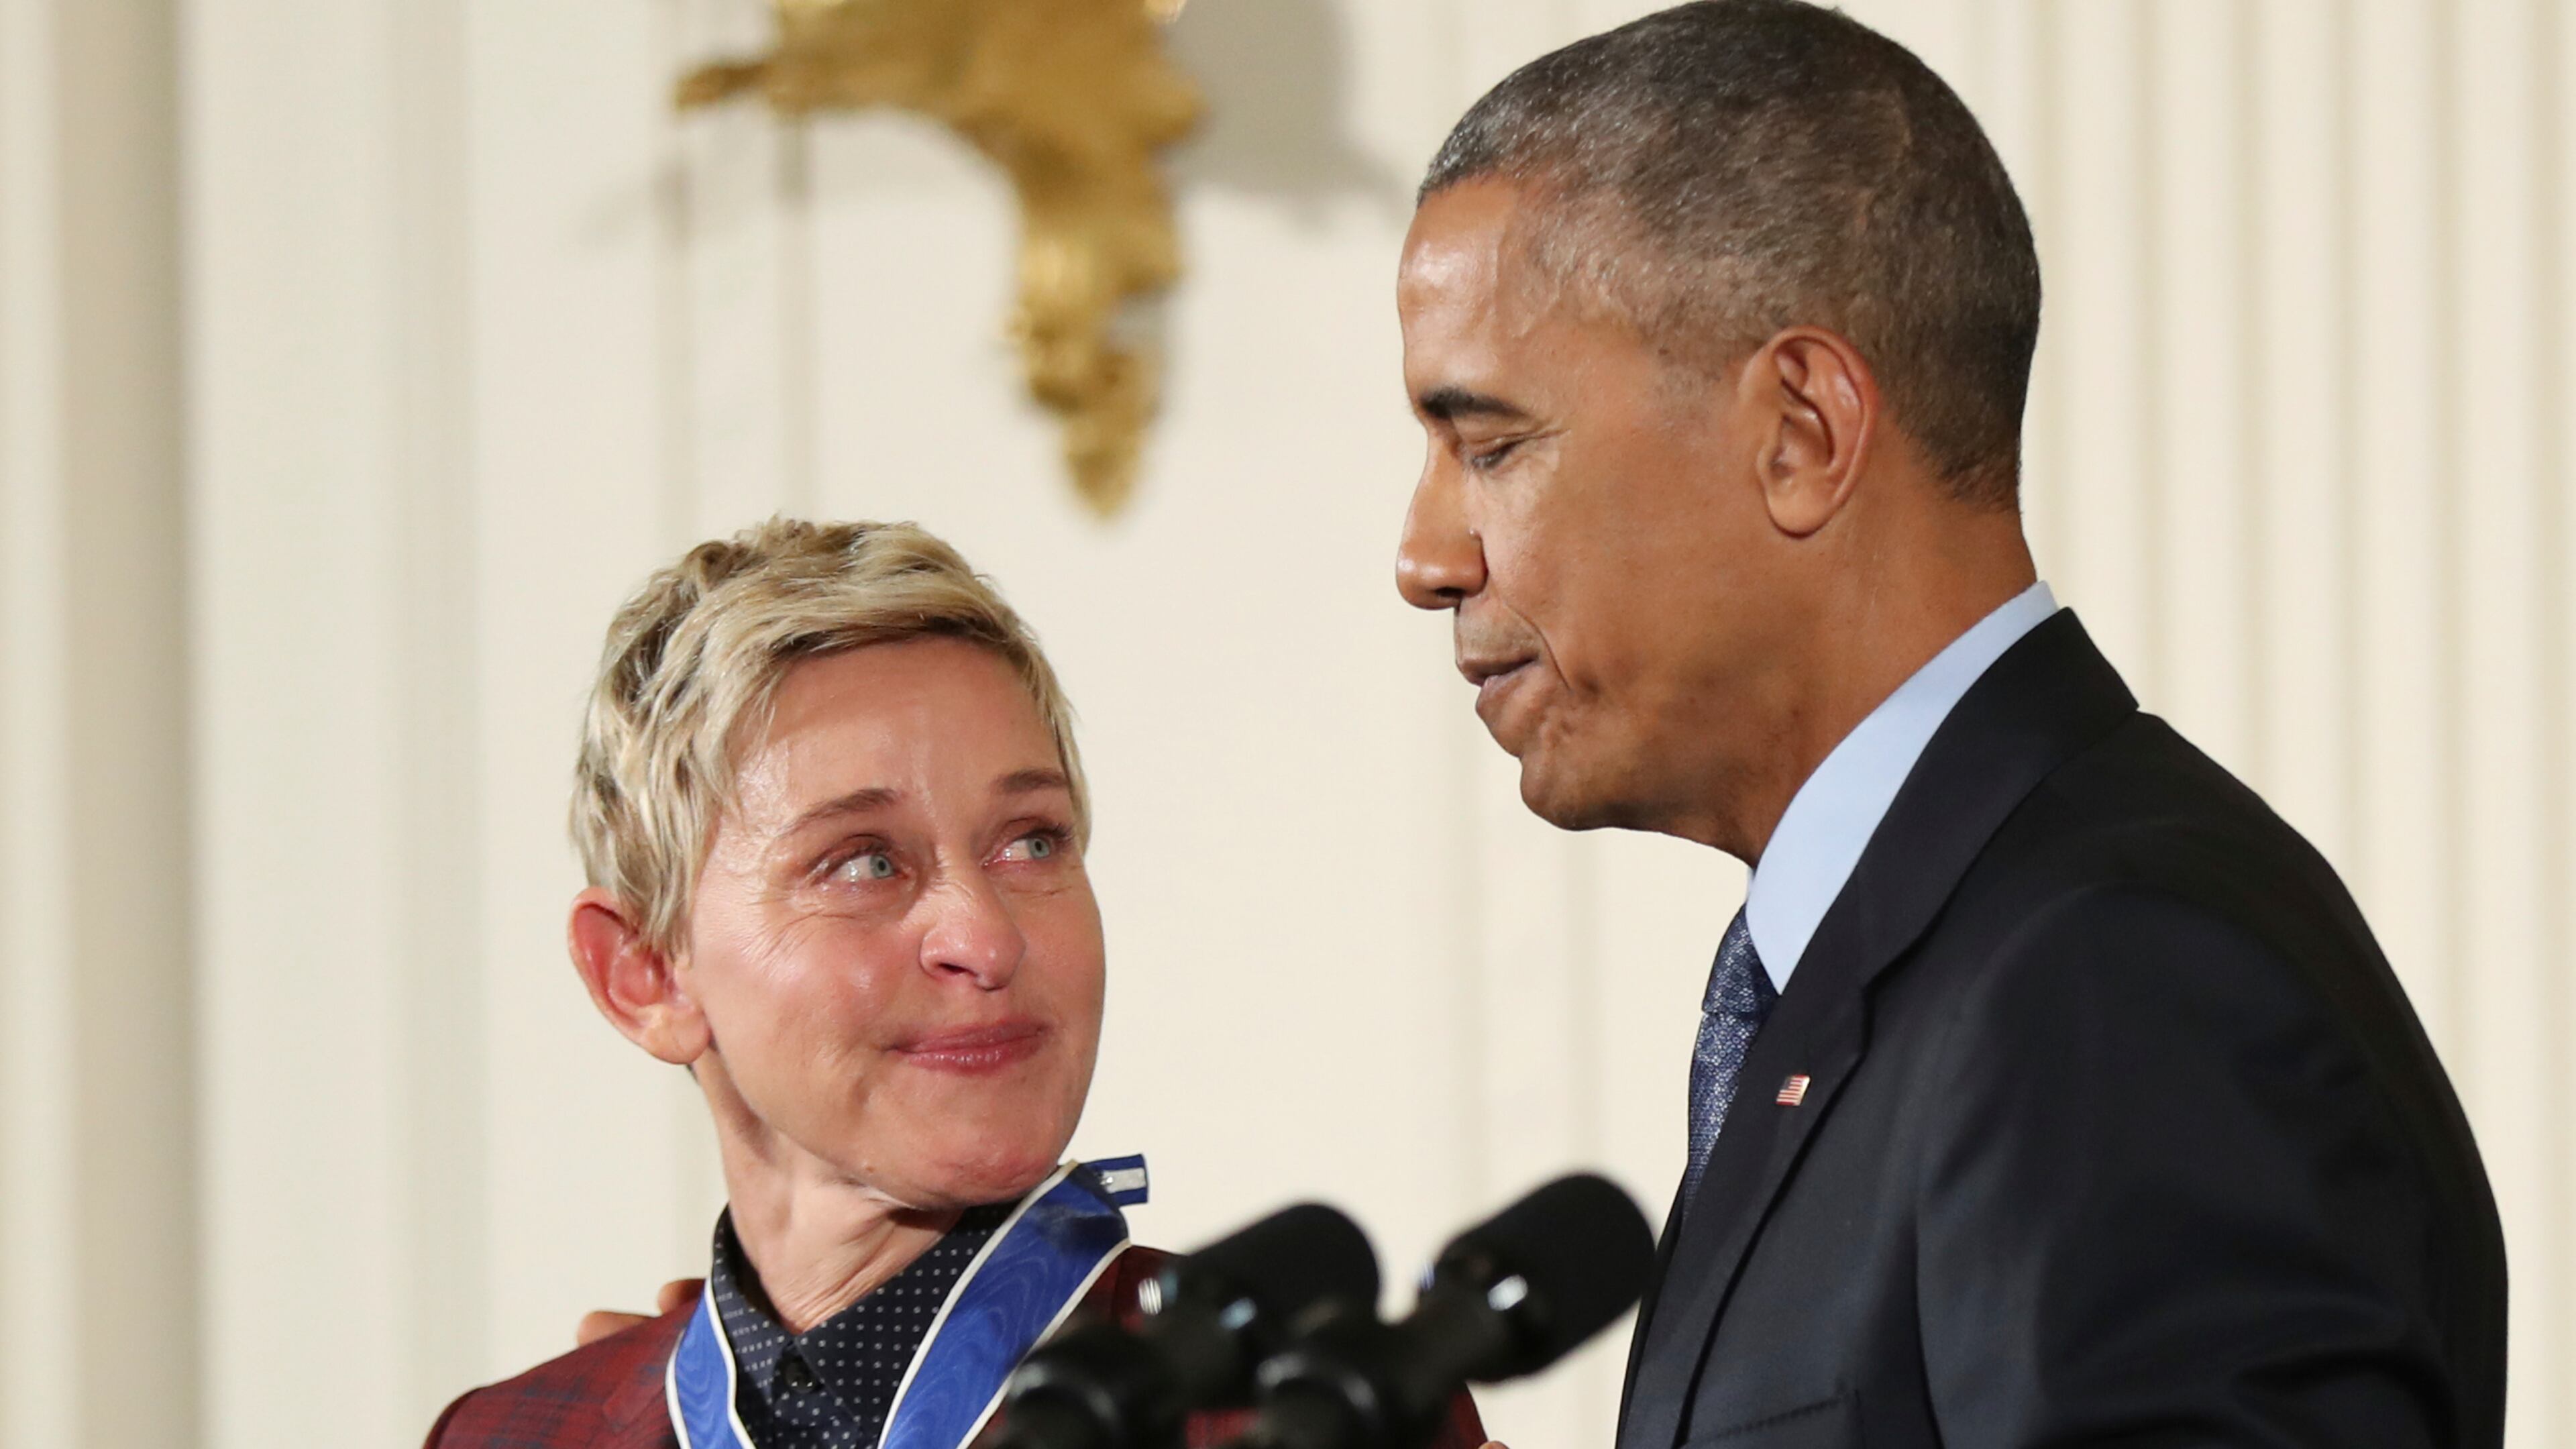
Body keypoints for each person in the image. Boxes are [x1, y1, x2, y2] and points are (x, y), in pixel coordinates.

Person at [1392, 3, 2507, 1448]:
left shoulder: (2119, 981)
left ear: (1800, 432)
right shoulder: (1912, 966)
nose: (1426, 555)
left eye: (1489, 446)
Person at [427, 519, 1480, 1449]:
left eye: (1031, 842)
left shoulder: (1324, 1412)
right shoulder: (510, 1436)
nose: (985, 937)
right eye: (863, 862)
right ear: (646, 974)